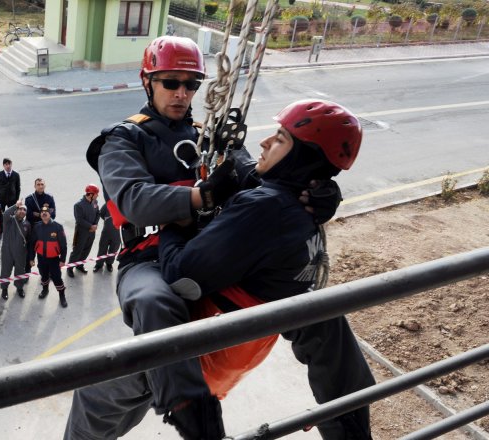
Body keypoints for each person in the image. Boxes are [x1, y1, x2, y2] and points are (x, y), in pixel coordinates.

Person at [66, 36, 344, 440]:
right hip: (150, 260)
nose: (182, 93)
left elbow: (262, 176)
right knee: (152, 301)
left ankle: (345, 413)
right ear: (148, 83)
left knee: (313, 305)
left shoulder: (213, 137)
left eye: (191, 84)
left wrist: (317, 189)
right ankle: (196, 420)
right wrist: (203, 194)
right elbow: (134, 200)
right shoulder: (124, 139)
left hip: (211, 253)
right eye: (170, 83)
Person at [158, 99, 374, 439]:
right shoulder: (303, 203)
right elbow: (259, 176)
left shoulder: (266, 209)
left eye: (280, 138)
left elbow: (182, 277)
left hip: (207, 351)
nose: (265, 142)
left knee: (98, 395)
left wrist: (171, 228)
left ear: (301, 158)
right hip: (246, 346)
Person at [29, 206, 68, 308]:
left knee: (57, 278)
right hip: (41, 258)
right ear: (40, 215)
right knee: (44, 275)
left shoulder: (58, 227)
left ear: (50, 214)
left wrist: (63, 259)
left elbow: (63, 245)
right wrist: (31, 258)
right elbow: (32, 243)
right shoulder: (37, 226)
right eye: (42, 212)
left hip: (54, 259)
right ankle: (45, 290)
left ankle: (62, 295)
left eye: (46, 212)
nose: (44, 213)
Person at [0, 200, 31, 300]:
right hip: (7, 251)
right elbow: (5, 214)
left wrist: (28, 255)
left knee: (20, 271)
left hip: (20, 253)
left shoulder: (27, 224)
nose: (22, 211)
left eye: (24, 210)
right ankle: (4, 289)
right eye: (20, 209)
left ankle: (19, 288)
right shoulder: (9, 220)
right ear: (16, 211)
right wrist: (15, 205)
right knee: (5, 271)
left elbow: (29, 240)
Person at [66, 184, 100, 277]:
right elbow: (79, 220)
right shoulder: (78, 205)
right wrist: (90, 226)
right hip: (81, 232)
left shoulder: (95, 202)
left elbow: (98, 213)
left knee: (86, 249)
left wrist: (95, 224)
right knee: (77, 250)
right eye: (96, 194)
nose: (98, 196)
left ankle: (79, 265)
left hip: (92, 232)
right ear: (90, 194)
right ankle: (70, 268)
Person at [92, 202, 121, 273]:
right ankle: (99, 264)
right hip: (106, 232)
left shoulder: (124, 205)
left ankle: (109, 263)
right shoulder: (108, 204)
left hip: (118, 233)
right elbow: (101, 214)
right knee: (102, 247)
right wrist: (108, 222)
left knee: (114, 249)